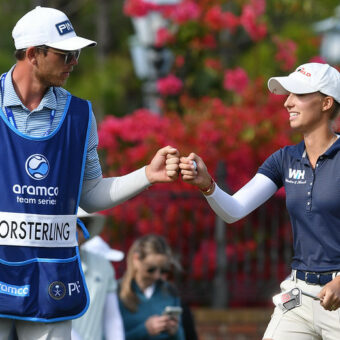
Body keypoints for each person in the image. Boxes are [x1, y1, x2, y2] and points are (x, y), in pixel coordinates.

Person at [0, 6, 179, 339]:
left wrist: (147, 176)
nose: (74, 61)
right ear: (32, 54)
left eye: (76, 53)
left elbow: (91, 194)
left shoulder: (80, 115)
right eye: (65, 54)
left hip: (50, 279)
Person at [179, 62, 340, 340]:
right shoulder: (284, 159)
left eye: (299, 94)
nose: (288, 102)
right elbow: (234, 210)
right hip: (299, 296)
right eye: (287, 95)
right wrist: (207, 184)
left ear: (326, 103)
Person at [118, 234, 185, 340]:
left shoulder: (170, 292)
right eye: (151, 269)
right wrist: (145, 330)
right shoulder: (116, 292)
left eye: (163, 270)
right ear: (136, 259)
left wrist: (175, 331)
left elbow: (181, 337)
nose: (157, 276)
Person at [71, 208, 125, 340]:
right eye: (72, 223)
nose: (77, 230)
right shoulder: (44, 266)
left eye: (82, 224)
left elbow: (112, 319)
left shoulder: (104, 265)